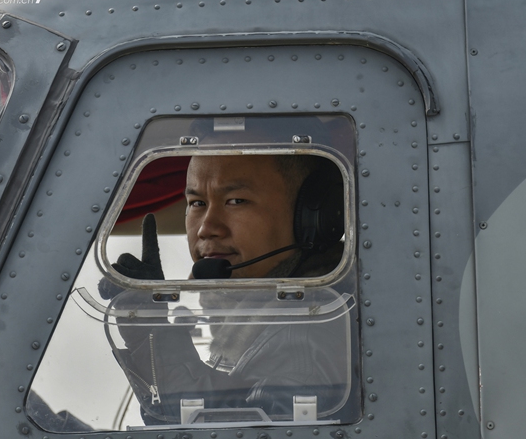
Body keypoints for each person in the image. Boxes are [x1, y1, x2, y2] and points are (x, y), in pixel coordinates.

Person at [103, 155, 351, 425]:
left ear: (314, 215)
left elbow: (241, 429)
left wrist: (152, 333)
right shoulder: (268, 318)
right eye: (197, 203)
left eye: (236, 201)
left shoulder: (313, 326)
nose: (207, 229)